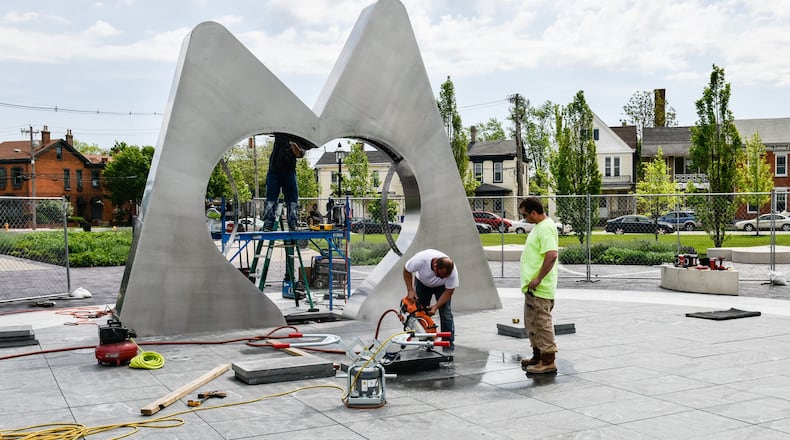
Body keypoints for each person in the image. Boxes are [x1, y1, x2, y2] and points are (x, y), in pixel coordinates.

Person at [519, 197, 559, 374]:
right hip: (532, 289)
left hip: (540, 289)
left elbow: (551, 255)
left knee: (542, 324)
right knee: (532, 323)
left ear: (534, 213)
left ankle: (548, 361)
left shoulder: (545, 228)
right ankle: (538, 356)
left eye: (525, 215)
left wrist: (538, 279)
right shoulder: (539, 226)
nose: (524, 218)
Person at [403, 249, 458, 352]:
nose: (441, 278)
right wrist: (410, 290)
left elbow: (449, 291)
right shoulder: (420, 260)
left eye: (445, 277)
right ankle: (425, 341)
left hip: (442, 288)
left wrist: (436, 306)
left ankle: (448, 344)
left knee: (446, 313)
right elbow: (407, 270)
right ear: (435, 265)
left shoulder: (452, 271)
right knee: (420, 312)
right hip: (422, 283)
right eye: (440, 275)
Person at [262, 133, 306, 231]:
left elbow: (299, 154)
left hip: (289, 171)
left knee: (292, 199)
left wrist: (292, 143)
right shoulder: (281, 133)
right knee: (271, 198)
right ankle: (268, 224)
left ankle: (293, 224)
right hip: (274, 170)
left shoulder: (301, 139)